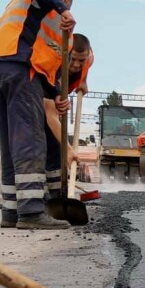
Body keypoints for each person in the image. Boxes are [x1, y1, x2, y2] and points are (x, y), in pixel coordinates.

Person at [0, 0, 75, 230]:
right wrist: (61, 7)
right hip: (20, 68)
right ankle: (32, 211)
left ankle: (11, 211)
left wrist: (56, 95)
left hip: (2, 69)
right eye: (67, 4)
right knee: (30, 139)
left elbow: (48, 70)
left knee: (11, 144)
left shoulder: (44, 25)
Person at [43, 34, 94, 201]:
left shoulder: (88, 58)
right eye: (73, 59)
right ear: (65, 54)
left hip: (59, 100)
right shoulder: (53, 68)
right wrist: (69, 150)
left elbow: (85, 66)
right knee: (52, 145)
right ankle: (49, 196)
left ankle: (59, 194)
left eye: (82, 60)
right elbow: (50, 116)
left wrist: (83, 81)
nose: (77, 65)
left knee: (57, 147)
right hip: (39, 102)